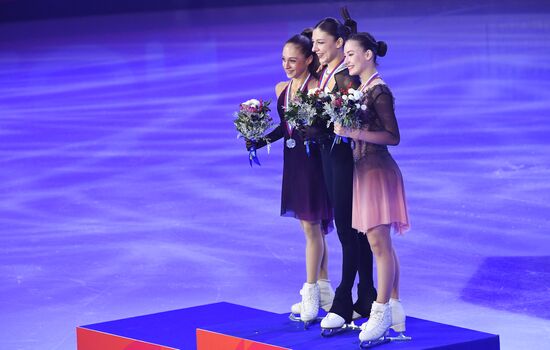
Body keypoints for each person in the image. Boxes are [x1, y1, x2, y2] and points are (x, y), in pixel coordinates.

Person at [246, 30, 335, 324]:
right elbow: (286, 130)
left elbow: (325, 130)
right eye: (283, 60)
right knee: (313, 231)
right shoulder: (282, 89)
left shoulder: (317, 91)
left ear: (309, 60)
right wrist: (259, 140)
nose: (286, 65)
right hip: (294, 164)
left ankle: (310, 294)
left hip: (314, 166)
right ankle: (324, 290)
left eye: (293, 60)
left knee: (312, 230)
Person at [334, 31, 410, 344]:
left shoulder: (379, 91)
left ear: (368, 55)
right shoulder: (360, 88)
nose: (346, 60)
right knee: (382, 245)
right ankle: (395, 307)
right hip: (364, 172)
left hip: (378, 171)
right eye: (346, 54)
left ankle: (380, 312)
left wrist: (354, 132)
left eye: (351, 54)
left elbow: (393, 136)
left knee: (379, 245)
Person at [306, 16, 377, 332]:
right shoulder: (325, 74)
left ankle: (343, 302)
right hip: (328, 155)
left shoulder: (346, 78)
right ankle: (367, 296)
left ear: (339, 43)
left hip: (345, 160)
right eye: (314, 43)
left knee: (350, 231)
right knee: (354, 231)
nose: (315, 49)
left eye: (321, 43)